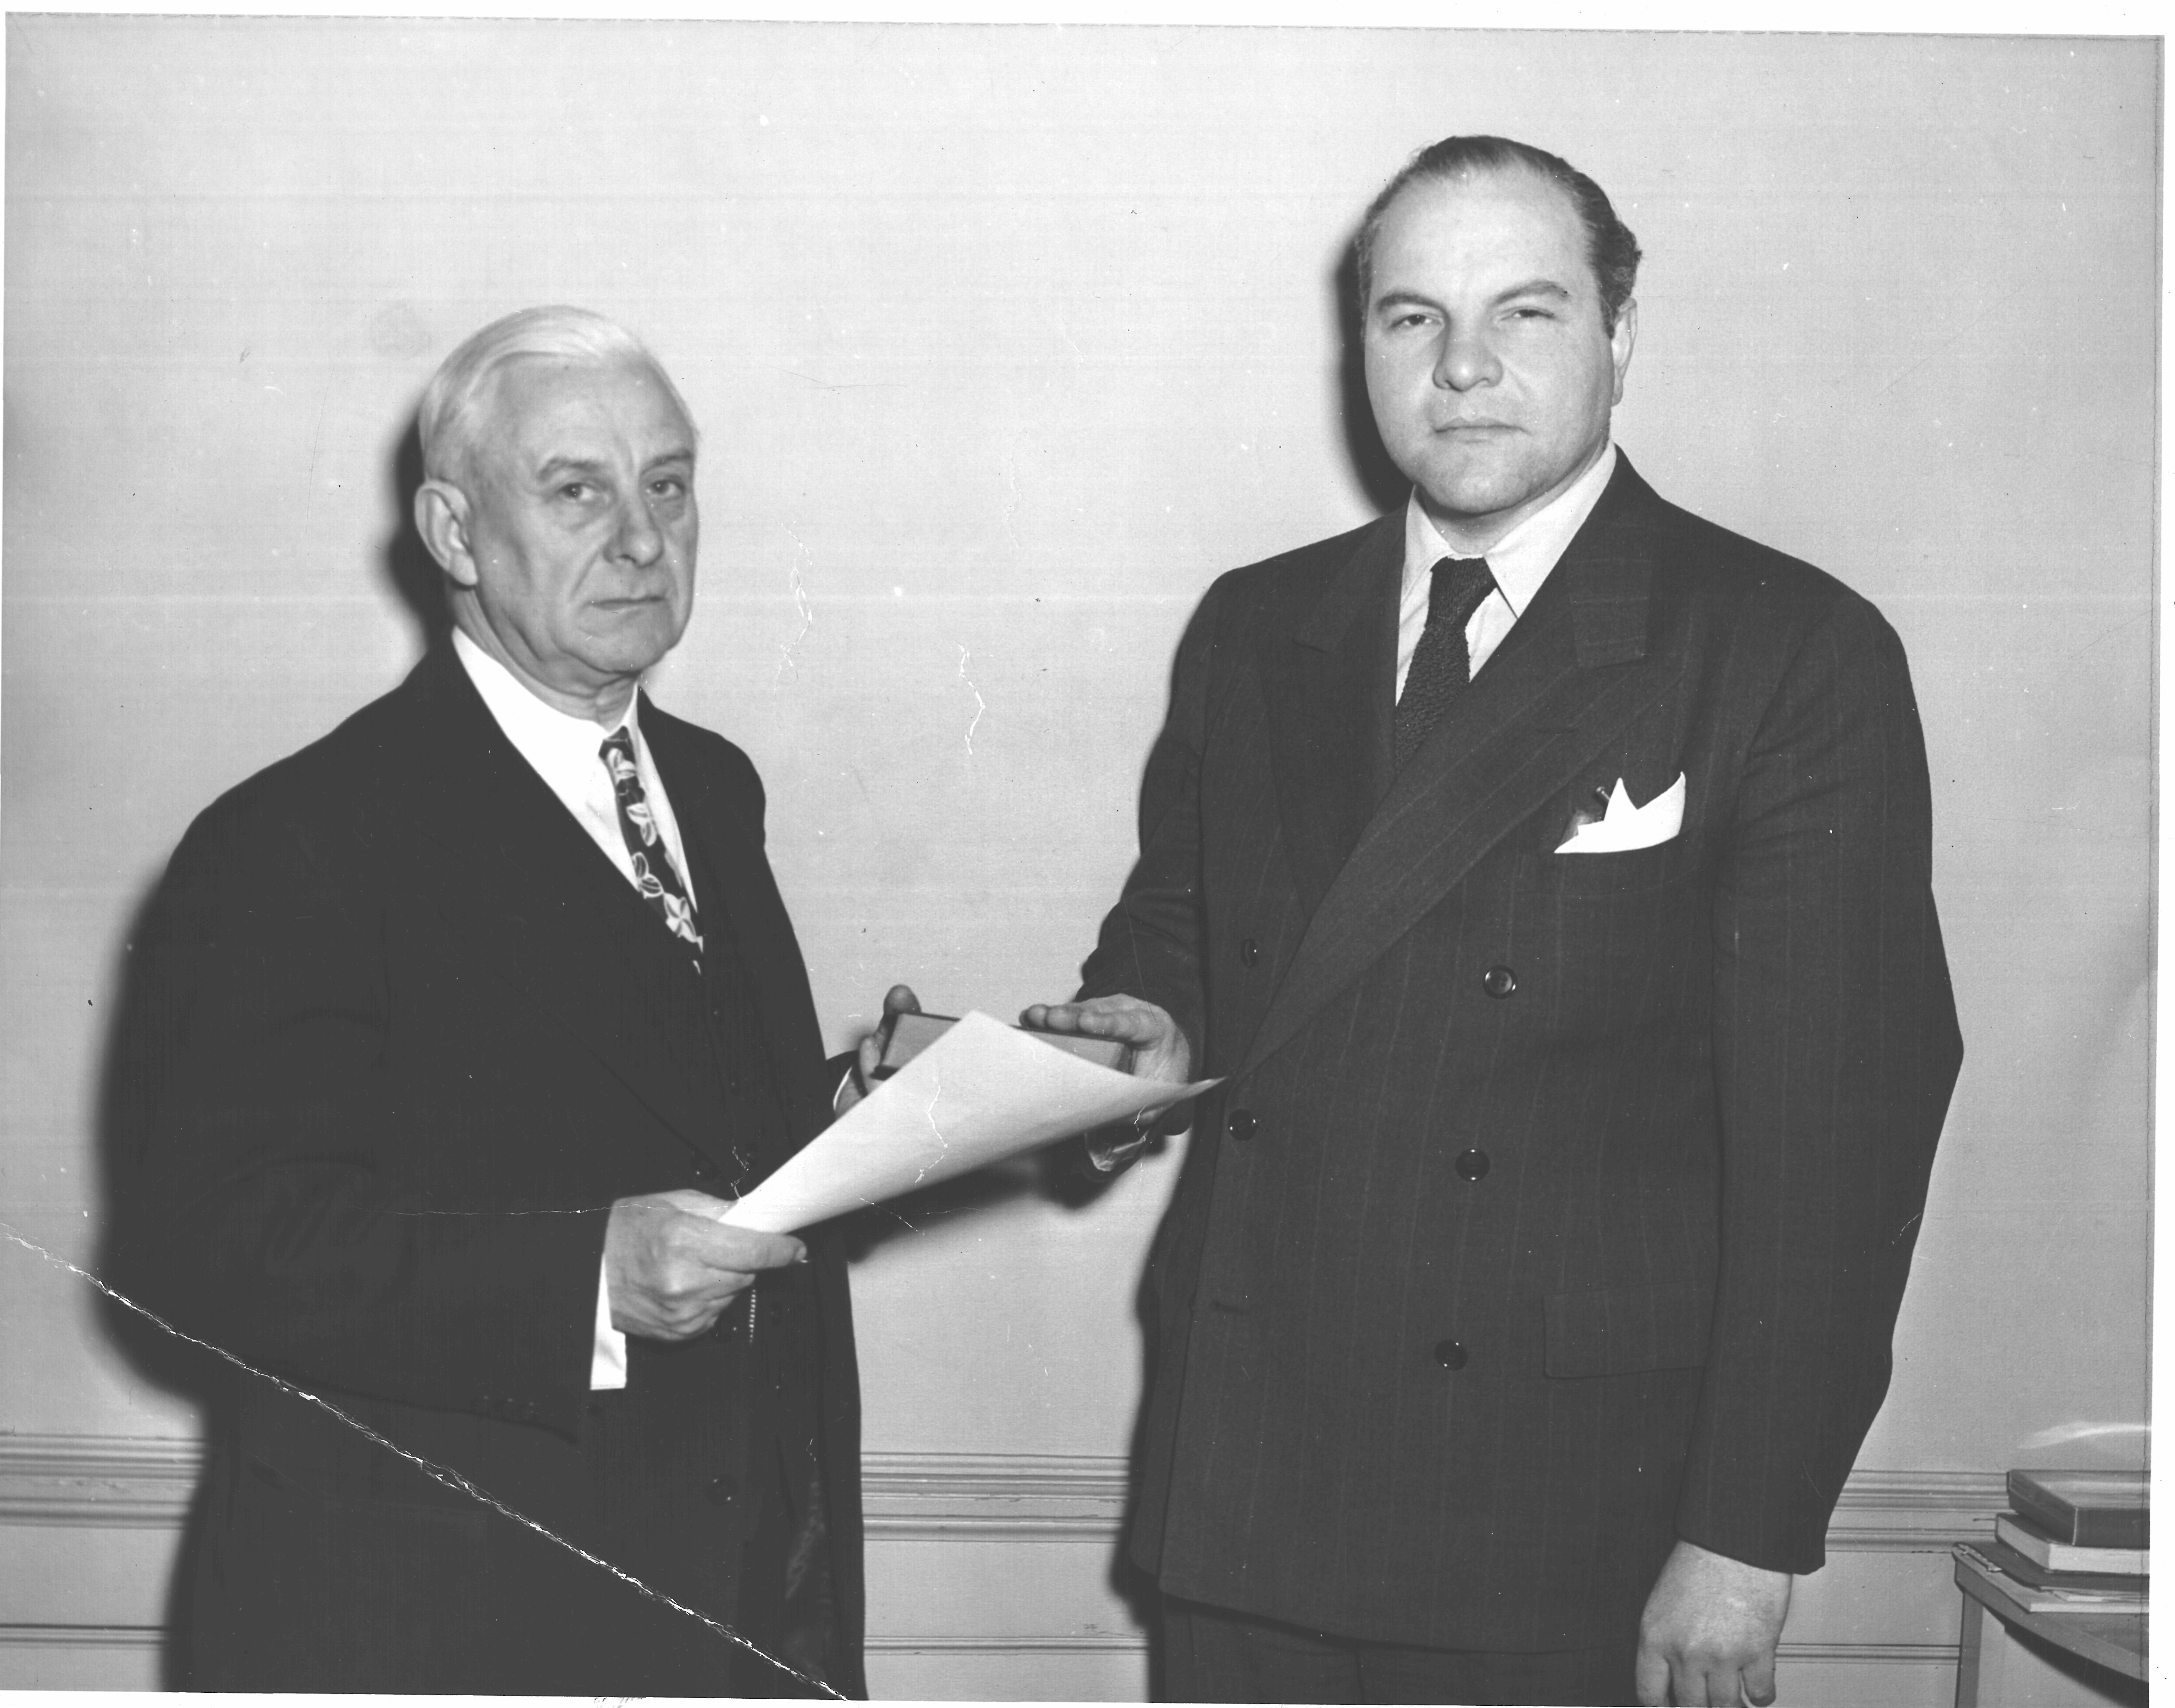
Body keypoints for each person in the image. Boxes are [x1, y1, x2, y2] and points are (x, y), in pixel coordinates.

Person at [1020, 136, 1964, 1706]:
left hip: (1567, 1518)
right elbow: (1185, 926)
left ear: (1620, 336)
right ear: (1363, 347)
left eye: (1524, 312)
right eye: (1413, 318)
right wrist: (1147, 1025)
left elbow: (1840, 1147)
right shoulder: (1261, 623)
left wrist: (1745, 1537)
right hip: (1251, 1477)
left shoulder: (1785, 650)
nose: (1461, 366)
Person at [105, 306, 864, 1696]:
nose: (642, 540)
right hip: (453, 1633)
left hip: (746, 1612)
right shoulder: (297, 839)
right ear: (454, 532)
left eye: (669, 485)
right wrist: (587, 1284)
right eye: (577, 490)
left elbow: (668, 1115)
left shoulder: (714, 786)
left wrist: (874, 1110)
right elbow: (204, 1246)